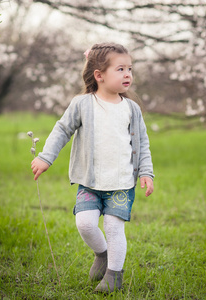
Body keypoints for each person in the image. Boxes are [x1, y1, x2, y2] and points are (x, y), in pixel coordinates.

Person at [31, 42, 154, 293]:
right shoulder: (83, 104)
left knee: (113, 226)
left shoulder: (131, 109)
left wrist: (146, 172)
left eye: (130, 68)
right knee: (85, 224)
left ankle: (114, 275)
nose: (128, 74)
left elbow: (142, 143)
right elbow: (62, 130)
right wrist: (46, 157)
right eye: (120, 69)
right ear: (99, 75)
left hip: (121, 183)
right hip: (90, 181)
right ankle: (103, 253)